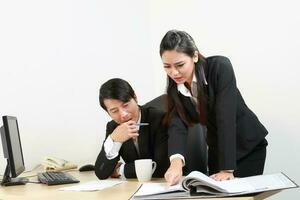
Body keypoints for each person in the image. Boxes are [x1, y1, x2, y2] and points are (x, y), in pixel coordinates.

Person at [160, 30, 268, 185]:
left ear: (195, 56)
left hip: (247, 145)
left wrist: (227, 169)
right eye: (167, 66)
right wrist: (176, 162)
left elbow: (226, 118)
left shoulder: (220, 68)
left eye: (180, 65)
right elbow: (177, 124)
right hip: (218, 151)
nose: (174, 72)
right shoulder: (175, 86)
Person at [94, 78, 169, 179]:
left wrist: (119, 170)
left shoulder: (159, 119)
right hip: (135, 187)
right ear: (108, 112)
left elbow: (161, 167)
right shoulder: (113, 127)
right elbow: (101, 172)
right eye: (114, 111)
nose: (123, 114)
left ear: (135, 98)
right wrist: (114, 140)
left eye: (125, 105)